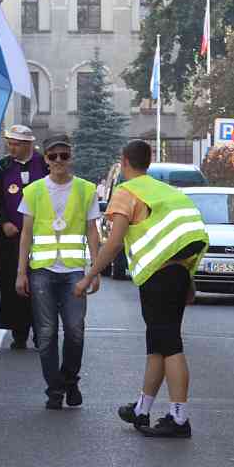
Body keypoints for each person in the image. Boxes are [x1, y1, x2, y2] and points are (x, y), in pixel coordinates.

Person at [74, 140, 209, 438]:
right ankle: (142, 409)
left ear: (124, 161)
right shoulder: (167, 192)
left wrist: (89, 275)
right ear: (149, 161)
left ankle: (179, 417)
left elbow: (114, 242)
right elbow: (184, 237)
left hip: (158, 278)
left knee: (170, 345)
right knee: (158, 344)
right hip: (177, 272)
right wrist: (190, 279)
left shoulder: (127, 192)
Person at [16, 134, 101, 410]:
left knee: (75, 330)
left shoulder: (86, 190)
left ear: (71, 157)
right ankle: (54, 389)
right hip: (42, 270)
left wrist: (95, 270)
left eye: (64, 156)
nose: (59, 161)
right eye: (53, 156)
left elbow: (92, 231)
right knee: (47, 332)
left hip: (74, 271)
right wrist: (21, 272)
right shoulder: (34, 191)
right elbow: (26, 233)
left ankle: (69, 379)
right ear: (46, 160)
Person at [0, 125, 48, 349]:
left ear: (28, 145)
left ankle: (40, 331)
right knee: (14, 283)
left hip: (39, 237)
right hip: (11, 237)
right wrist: (4, 222)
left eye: (15, 145)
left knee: (39, 285)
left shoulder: (43, 164)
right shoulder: (4, 167)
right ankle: (18, 331)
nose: (11, 149)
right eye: (9, 144)